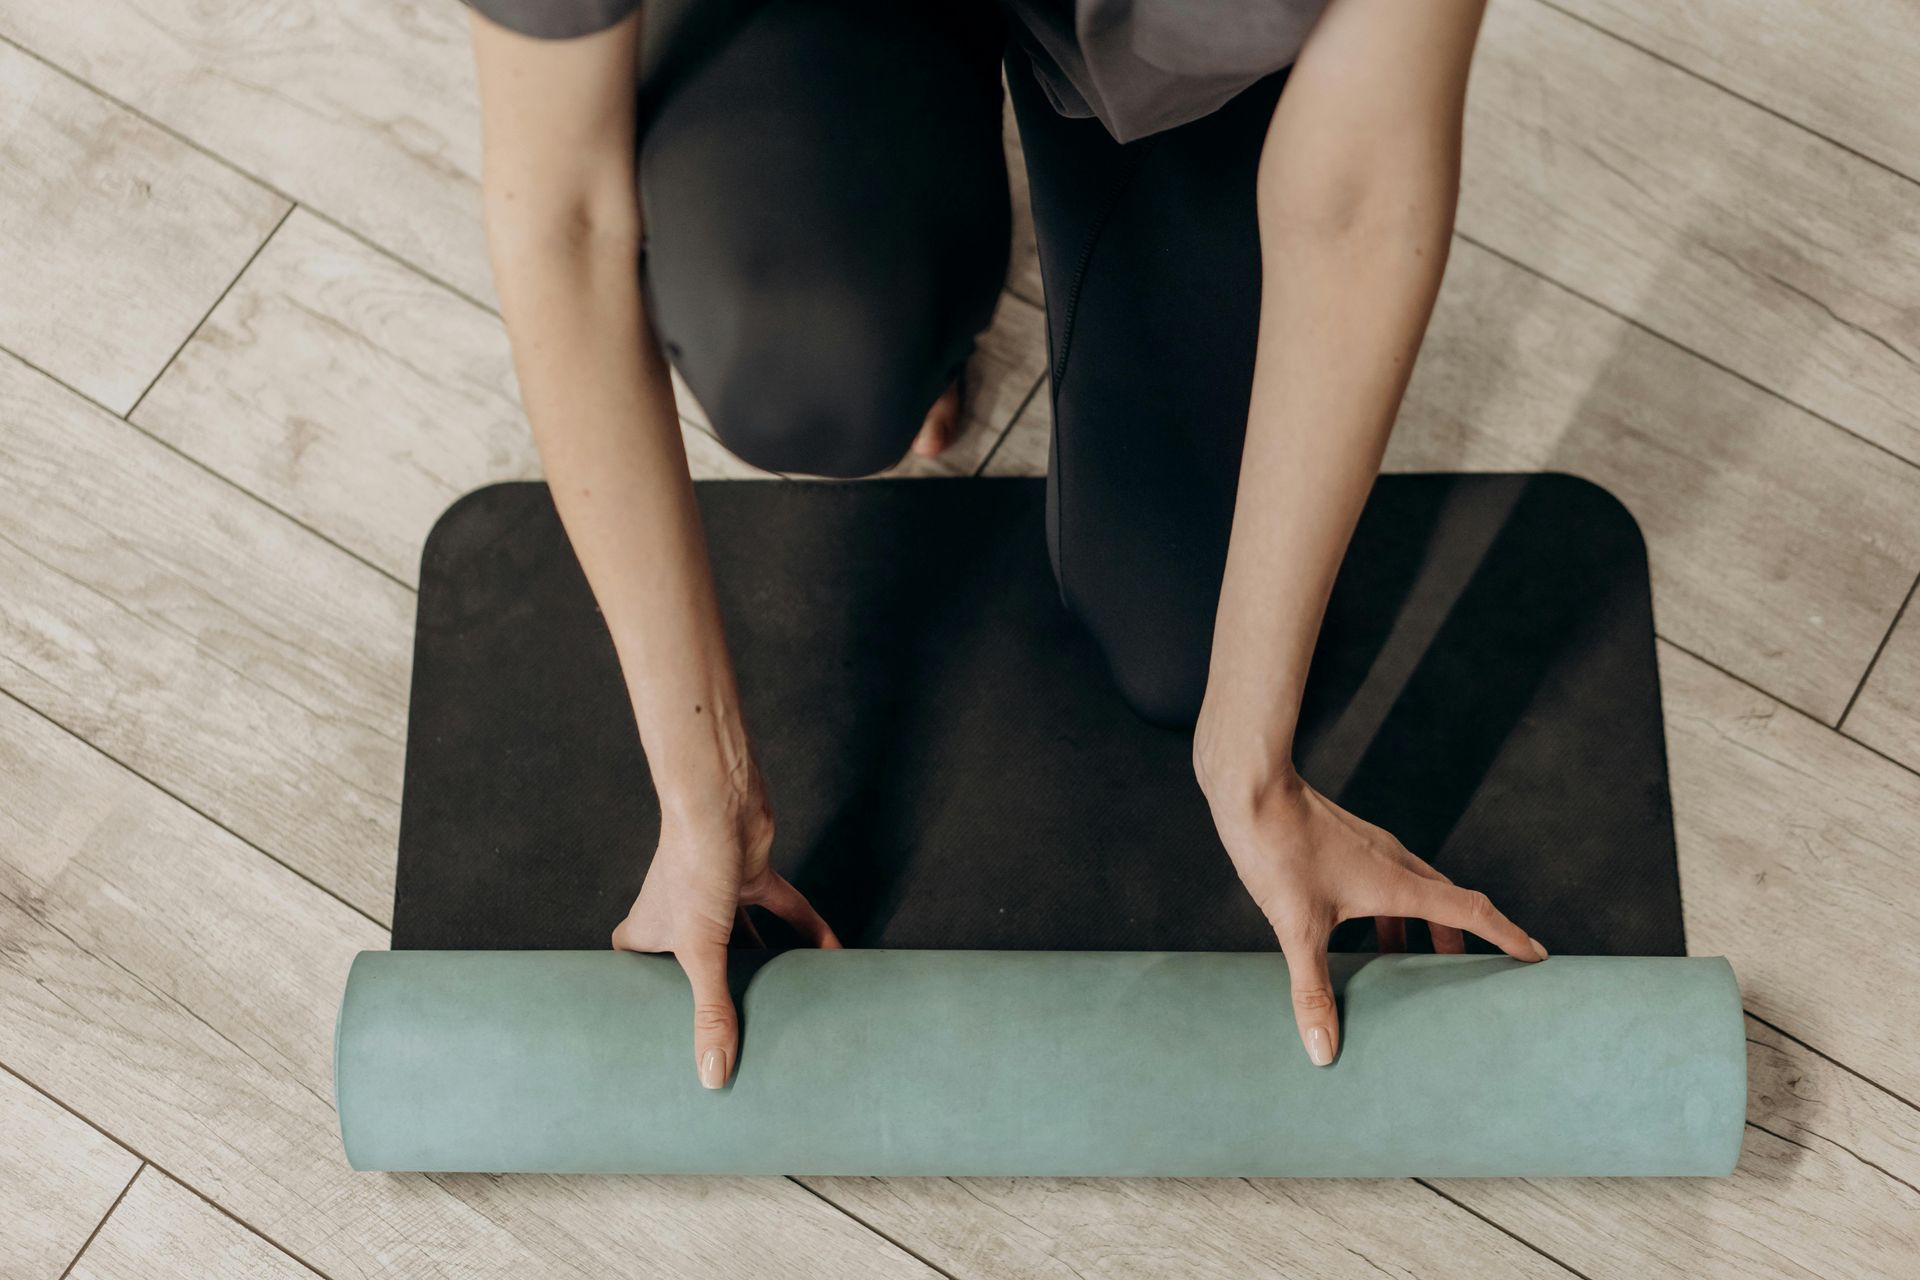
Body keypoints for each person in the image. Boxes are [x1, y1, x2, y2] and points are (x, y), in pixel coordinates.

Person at [465, 0, 1546, 1089]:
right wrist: (709, 801)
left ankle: (1016, 168)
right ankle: (909, 259)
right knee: (809, 363)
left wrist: (1252, 770)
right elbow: (560, 213)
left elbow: (1360, 195)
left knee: (1189, 639)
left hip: (1163, 45)